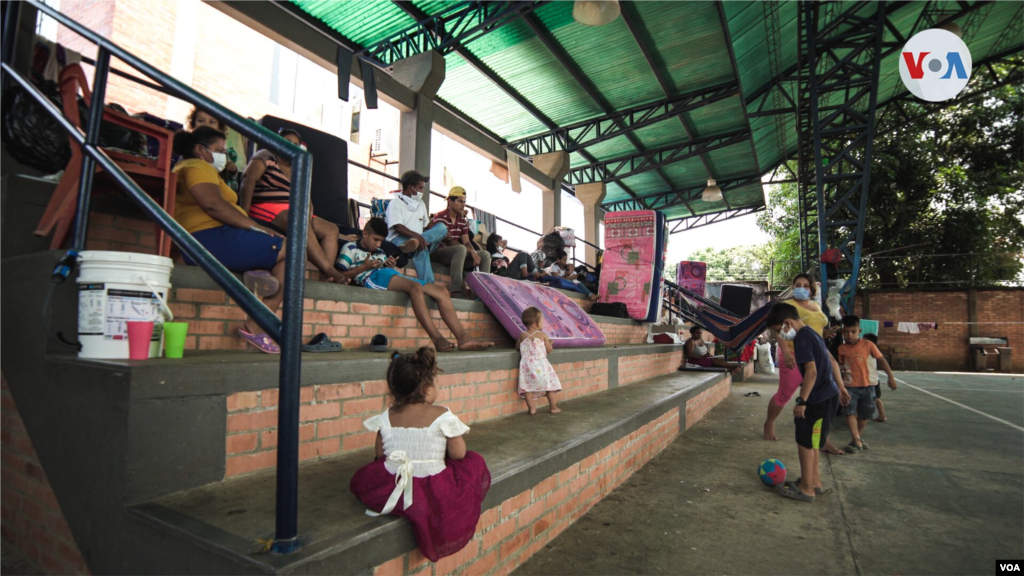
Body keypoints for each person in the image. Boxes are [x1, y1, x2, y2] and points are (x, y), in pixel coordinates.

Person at [350, 348, 491, 562]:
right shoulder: (442, 415)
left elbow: (380, 455)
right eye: (437, 383)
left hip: (394, 480)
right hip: (433, 485)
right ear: (426, 388)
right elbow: (459, 453)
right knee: (474, 462)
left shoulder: (387, 416)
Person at [172, 126, 290, 354]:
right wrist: (257, 227)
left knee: (287, 259)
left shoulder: (196, 168)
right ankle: (257, 323)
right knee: (293, 251)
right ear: (200, 150)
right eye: (219, 150)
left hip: (215, 237)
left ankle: (258, 272)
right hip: (206, 238)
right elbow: (212, 204)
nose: (224, 156)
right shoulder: (197, 165)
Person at [336, 218, 493, 352]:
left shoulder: (379, 251)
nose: (378, 244)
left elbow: (385, 268)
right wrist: (364, 267)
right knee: (415, 288)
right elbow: (337, 275)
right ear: (365, 234)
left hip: (389, 274)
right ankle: (437, 338)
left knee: (441, 291)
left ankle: (463, 338)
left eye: (381, 241)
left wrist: (388, 264)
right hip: (370, 277)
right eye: (375, 239)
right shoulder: (350, 248)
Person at [238, 128, 347, 284]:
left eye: (295, 144)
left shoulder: (298, 167)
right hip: (266, 206)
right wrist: (244, 214)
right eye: (287, 142)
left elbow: (306, 199)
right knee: (297, 220)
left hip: (293, 211)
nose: (291, 146)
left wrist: (307, 220)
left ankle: (325, 279)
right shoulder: (266, 155)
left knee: (332, 229)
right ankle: (330, 270)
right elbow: (248, 179)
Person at [766, 303, 850, 502]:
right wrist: (841, 387)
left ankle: (806, 489)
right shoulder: (812, 333)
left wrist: (802, 401)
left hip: (817, 399)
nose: (781, 335)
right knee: (813, 443)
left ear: (787, 323)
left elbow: (811, 372)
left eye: (780, 330)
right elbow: (831, 362)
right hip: (828, 395)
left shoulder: (802, 341)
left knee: (805, 442)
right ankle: (814, 482)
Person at [763, 274, 843, 456]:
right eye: (798, 284)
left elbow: (815, 329)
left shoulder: (816, 306)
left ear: (812, 289)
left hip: (816, 350)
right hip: (794, 352)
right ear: (792, 287)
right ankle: (769, 422)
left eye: (806, 285)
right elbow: (780, 331)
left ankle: (822, 439)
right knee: (786, 393)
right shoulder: (789, 306)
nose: (802, 287)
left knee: (820, 396)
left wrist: (825, 333)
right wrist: (786, 352)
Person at [837, 316, 896, 452]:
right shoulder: (842, 348)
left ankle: (856, 438)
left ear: (859, 331)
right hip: (850, 386)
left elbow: (882, 360)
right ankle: (857, 440)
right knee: (849, 412)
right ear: (842, 332)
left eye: (853, 331)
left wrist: (890, 377)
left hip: (869, 386)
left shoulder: (868, 345)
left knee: (865, 415)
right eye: (846, 332)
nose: (849, 335)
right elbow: (841, 365)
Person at [385, 170, 448, 285]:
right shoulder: (395, 203)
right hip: (398, 239)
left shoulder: (421, 204)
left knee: (442, 228)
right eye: (420, 188)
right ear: (410, 188)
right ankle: (429, 284)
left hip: (419, 240)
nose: (422, 191)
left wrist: (439, 232)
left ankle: (411, 246)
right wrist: (417, 237)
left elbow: (426, 225)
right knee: (421, 249)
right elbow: (398, 227)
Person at [429, 187, 490, 298]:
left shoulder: (462, 220)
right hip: (439, 253)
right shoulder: (440, 216)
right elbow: (448, 242)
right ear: (450, 201)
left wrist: (474, 252)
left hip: (457, 254)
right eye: (460, 201)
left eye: (464, 202)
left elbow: (466, 242)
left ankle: (484, 291)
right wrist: (470, 251)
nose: (463, 205)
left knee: (485, 255)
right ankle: (456, 290)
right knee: (461, 249)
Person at [517, 307, 563, 415]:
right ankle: (553, 407)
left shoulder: (522, 335)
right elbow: (548, 350)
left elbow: (517, 347)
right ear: (537, 323)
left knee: (528, 388)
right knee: (549, 388)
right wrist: (550, 343)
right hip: (541, 366)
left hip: (527, 366)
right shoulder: (542, 335)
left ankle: (532, 409)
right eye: (542, 321)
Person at [188, 107, 245, 191]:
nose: (206, 124)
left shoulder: (223, 152)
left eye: (212, 122)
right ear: (193, 125)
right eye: (201, 121)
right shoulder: (188, 146)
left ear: (219, 128)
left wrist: (232, 171)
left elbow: (228, 178)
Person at [862, 333, 895, 422]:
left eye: (864, 340)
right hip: (871, 379)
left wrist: (890, 377)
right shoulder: (865, 350)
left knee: (876, 398)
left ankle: (881, 415)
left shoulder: (872, 351)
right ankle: (881, 415)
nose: (861, 341)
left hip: (872, 380)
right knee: (876, 398)